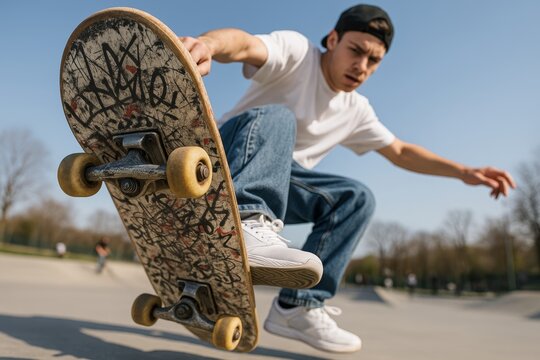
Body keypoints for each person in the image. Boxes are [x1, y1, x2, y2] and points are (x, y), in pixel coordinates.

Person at [180, 4, 516, 353]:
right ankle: (248, 220)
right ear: (333, 39)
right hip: (221, 161)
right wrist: (208, 44)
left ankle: (298, 307)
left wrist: (464, 172)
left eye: (374, 61)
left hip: (278, 183)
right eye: (355, 51)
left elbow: (400, 151)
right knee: (279, 118)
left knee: (356, 198)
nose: (362, 67)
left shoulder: (357, 111)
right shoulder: (298, 54)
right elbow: (245, 44)